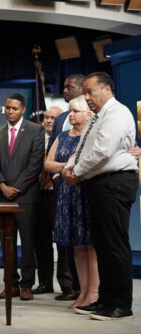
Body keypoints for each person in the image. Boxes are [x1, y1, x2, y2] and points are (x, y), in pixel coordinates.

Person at [63, 72, 138, 321]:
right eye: (84, 93)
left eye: (90, 92)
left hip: (114, 183)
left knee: (114, 245)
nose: (87, 97)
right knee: (103, 246)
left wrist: (78, 172)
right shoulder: (97, 117)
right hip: (98, 184)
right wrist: (70, 166)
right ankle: (104, 300)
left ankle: (120, 305)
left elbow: (102, 151)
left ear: (107, 89)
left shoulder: (118, 113)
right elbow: (82, 148)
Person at [45, 96, 99, 312]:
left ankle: (94, 293)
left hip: (85, 192)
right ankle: (83, 292)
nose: (71, 115)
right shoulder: (62, 136)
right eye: (70, 111)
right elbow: (47, 163)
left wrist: (72, 168)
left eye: (76, 111)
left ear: (88, 114)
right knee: (76, 244)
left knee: (91, 245)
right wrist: (66, 166)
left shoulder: (94, 135)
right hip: (66, 193)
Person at [0, 93, 44, 301]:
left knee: (28, 242)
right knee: (7, 243)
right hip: (3, 197)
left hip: (26, 197)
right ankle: (10, 284)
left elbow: (35, 164)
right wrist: (3, 185)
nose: (10, 112)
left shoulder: (35, 130)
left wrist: (17, 188)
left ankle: (27, 285)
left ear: (23, 110)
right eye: (7, 108)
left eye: (14, 108)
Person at [48, 74, 86, 301]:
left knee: (84, 241)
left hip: (83, 190)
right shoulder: (61, 120)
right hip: (61, 188)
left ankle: (87, 289)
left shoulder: (95, 123)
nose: (64, 89)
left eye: (69, 86)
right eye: (63, 86)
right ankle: (68, 285)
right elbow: (49, 159)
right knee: (65, 239)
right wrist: (60, 170)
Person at [32, 106, 63, 296]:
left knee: (62, 241)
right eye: (47, 117)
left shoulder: (65, 139)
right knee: (41, 241)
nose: (49, 120)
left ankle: (67, 284)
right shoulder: (37, 140)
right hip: (39, 194)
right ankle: (45, 282)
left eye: (54, 118)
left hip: (58, 194)